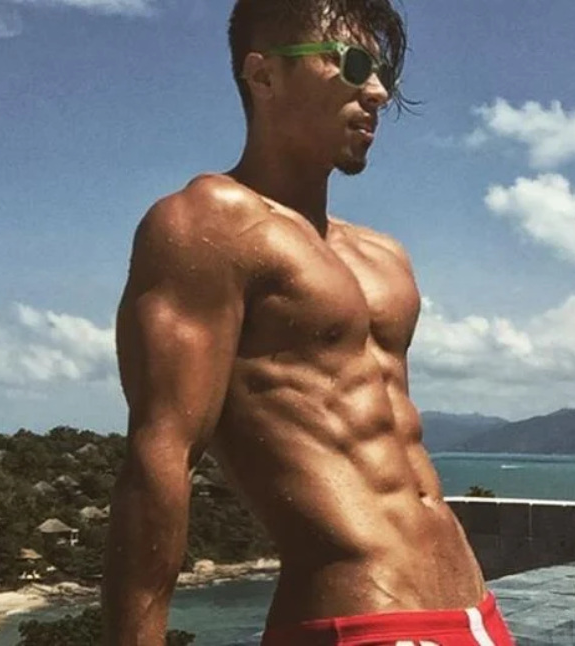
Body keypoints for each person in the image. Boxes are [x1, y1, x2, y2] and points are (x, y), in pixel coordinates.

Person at [102, 1, 515, 644]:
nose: (377, 92)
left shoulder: (384, 257)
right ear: (263, 75)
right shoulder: (206, 224)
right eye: (351, 64)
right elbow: (161, 460)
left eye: (382, 72)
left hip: (475, 614)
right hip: (356, 621)